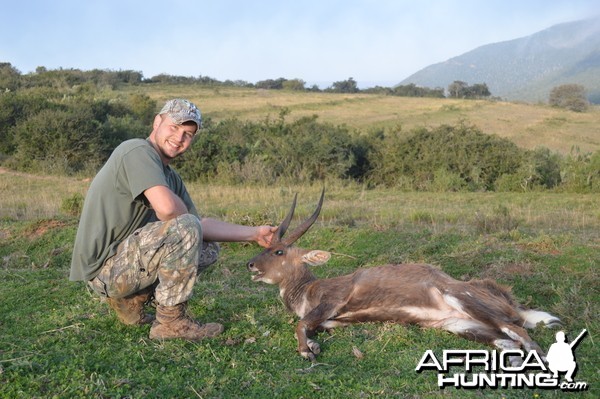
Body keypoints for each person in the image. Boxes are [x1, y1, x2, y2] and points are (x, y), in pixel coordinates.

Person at [70, 98, 276, 341]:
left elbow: (200, 226)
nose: (180, 138)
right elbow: (169, 210)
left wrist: (255, 233)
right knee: (187, 229)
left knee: (207, 247)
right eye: (174, 127)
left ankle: (131, 300)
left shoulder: (169, 176)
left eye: (188, 134)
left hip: (124, 265)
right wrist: (188, 223)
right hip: (104, 270)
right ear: (157, 122)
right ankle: (170, 322)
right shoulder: (136, 150)